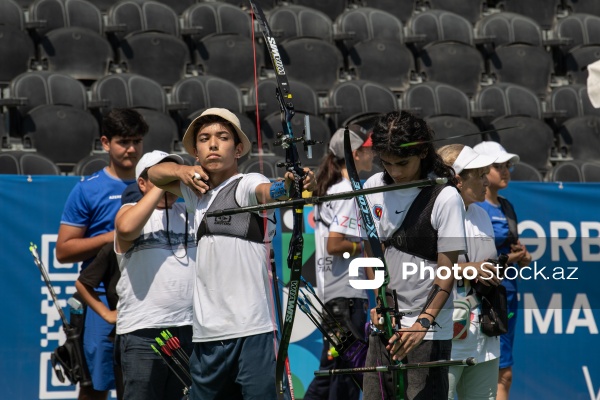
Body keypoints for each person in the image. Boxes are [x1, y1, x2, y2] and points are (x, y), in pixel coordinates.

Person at [147, 108, 316, 400]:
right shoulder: (194, 192)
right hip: (206, 335)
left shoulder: (246, 183)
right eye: (204, 138)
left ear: (237, 149)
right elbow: (154, 174)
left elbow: (271, 190)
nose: (213, 144)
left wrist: (291, 184)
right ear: (196, 153)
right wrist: (181, 170)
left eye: (222, 138)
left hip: (253, 331)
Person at [361, 111, 467, 400]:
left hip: (428, 333)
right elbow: (372, 252)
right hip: (385, 326)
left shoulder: (445, 197)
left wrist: (422, 323)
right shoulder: (373, 187)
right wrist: (379, 302)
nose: (394, 171)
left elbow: (447, 271)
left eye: (402, 163)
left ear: (422, 151)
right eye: (387, 162)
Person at [56, 108, 148, 400]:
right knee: (94, 388)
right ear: (106, 143)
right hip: (100, 304)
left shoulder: (156, 186)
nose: (131, 149)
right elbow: (64, 251)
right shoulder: (88, 190)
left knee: (143, 387)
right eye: (123, 141)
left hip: (147, 298)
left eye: (136, 141)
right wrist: (115, 235)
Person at [114, 150, 197, 400]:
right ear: (142, 183)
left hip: (189, 330)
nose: (172, 182)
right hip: (143, 332)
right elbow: (126, 228)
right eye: (163, 174)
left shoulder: (189, 212)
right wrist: (160, 187)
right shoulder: (129, 210)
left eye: (175, 174)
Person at [303, 125, 374, 400]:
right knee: (344, 376)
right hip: (346, 301)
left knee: (333, 372)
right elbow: (335, 246)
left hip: (336, 299)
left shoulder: (331, 188)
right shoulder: (346, 190)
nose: (372, 154)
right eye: (368, 149)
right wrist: (366, 245)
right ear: (355, 154)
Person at [437, 144, 502, 400]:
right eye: (479, 174)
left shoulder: (481, 214)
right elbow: (417, 269)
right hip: (447, 339)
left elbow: (489, 263)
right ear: (458, 180)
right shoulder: (432, 214)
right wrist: (469, 269)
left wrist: (492, 270)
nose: (486, 181)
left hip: (484, 337)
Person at [473, 141, 532, 400]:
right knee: (494, 372)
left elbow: (509, 249)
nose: (505, 171)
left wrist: (521, 257)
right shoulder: (473, 208)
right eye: (498, 166)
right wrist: (508, 258)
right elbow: (473, 260)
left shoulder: (507, 206)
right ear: (483, 170)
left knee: (503, 372)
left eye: (507, 166)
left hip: (506, 294)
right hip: (481, 297)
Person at [75, 184, 143, 399]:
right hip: (126, 336)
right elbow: (83, 284)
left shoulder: (169, 241)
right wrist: (106, 314)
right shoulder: (113, 247)